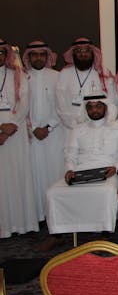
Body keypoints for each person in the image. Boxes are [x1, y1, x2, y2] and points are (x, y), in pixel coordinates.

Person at [46, 94, 118, 237]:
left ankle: (105, 232)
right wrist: (69, 170)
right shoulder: (77, 129)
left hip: (109, 171)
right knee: (53, 192)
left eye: (98, 106)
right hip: (81, 170)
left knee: (107, 191)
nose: (94, 110)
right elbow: (70, 153)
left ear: (106, 107)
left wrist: (116, 167)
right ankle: (57, 235)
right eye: (90, 107)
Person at [23, 41, 66, 226]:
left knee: (55, 174)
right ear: (28, 57)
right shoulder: (22, 78)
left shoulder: (57, 77)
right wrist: (32, 128)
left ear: (48, 56)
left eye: (42, 54)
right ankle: (39, 216)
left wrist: (48, 127)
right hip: (31, 136)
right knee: (35, 176)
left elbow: (62, 106)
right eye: (34, 55)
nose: (38, 58)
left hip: (54, 134)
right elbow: (20, 108)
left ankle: (57, 216)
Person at [0, 39, 38, 237]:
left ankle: (20, 224)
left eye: (1, 52)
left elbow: (24, 103)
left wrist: (10, 127)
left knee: (16, 177)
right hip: (2, 131)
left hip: (15, 133)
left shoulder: (19, 75)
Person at [56, 37, 117, 132]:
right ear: (73, 54)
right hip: (71, 129)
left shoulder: (103, 73)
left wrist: (101, 124)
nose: (83, 54)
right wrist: (74, 125)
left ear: (92, 53)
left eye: (87, 51)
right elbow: (60, 102)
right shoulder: (65, 73)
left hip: (98, 128)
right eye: (79, 51)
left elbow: (111, 100)